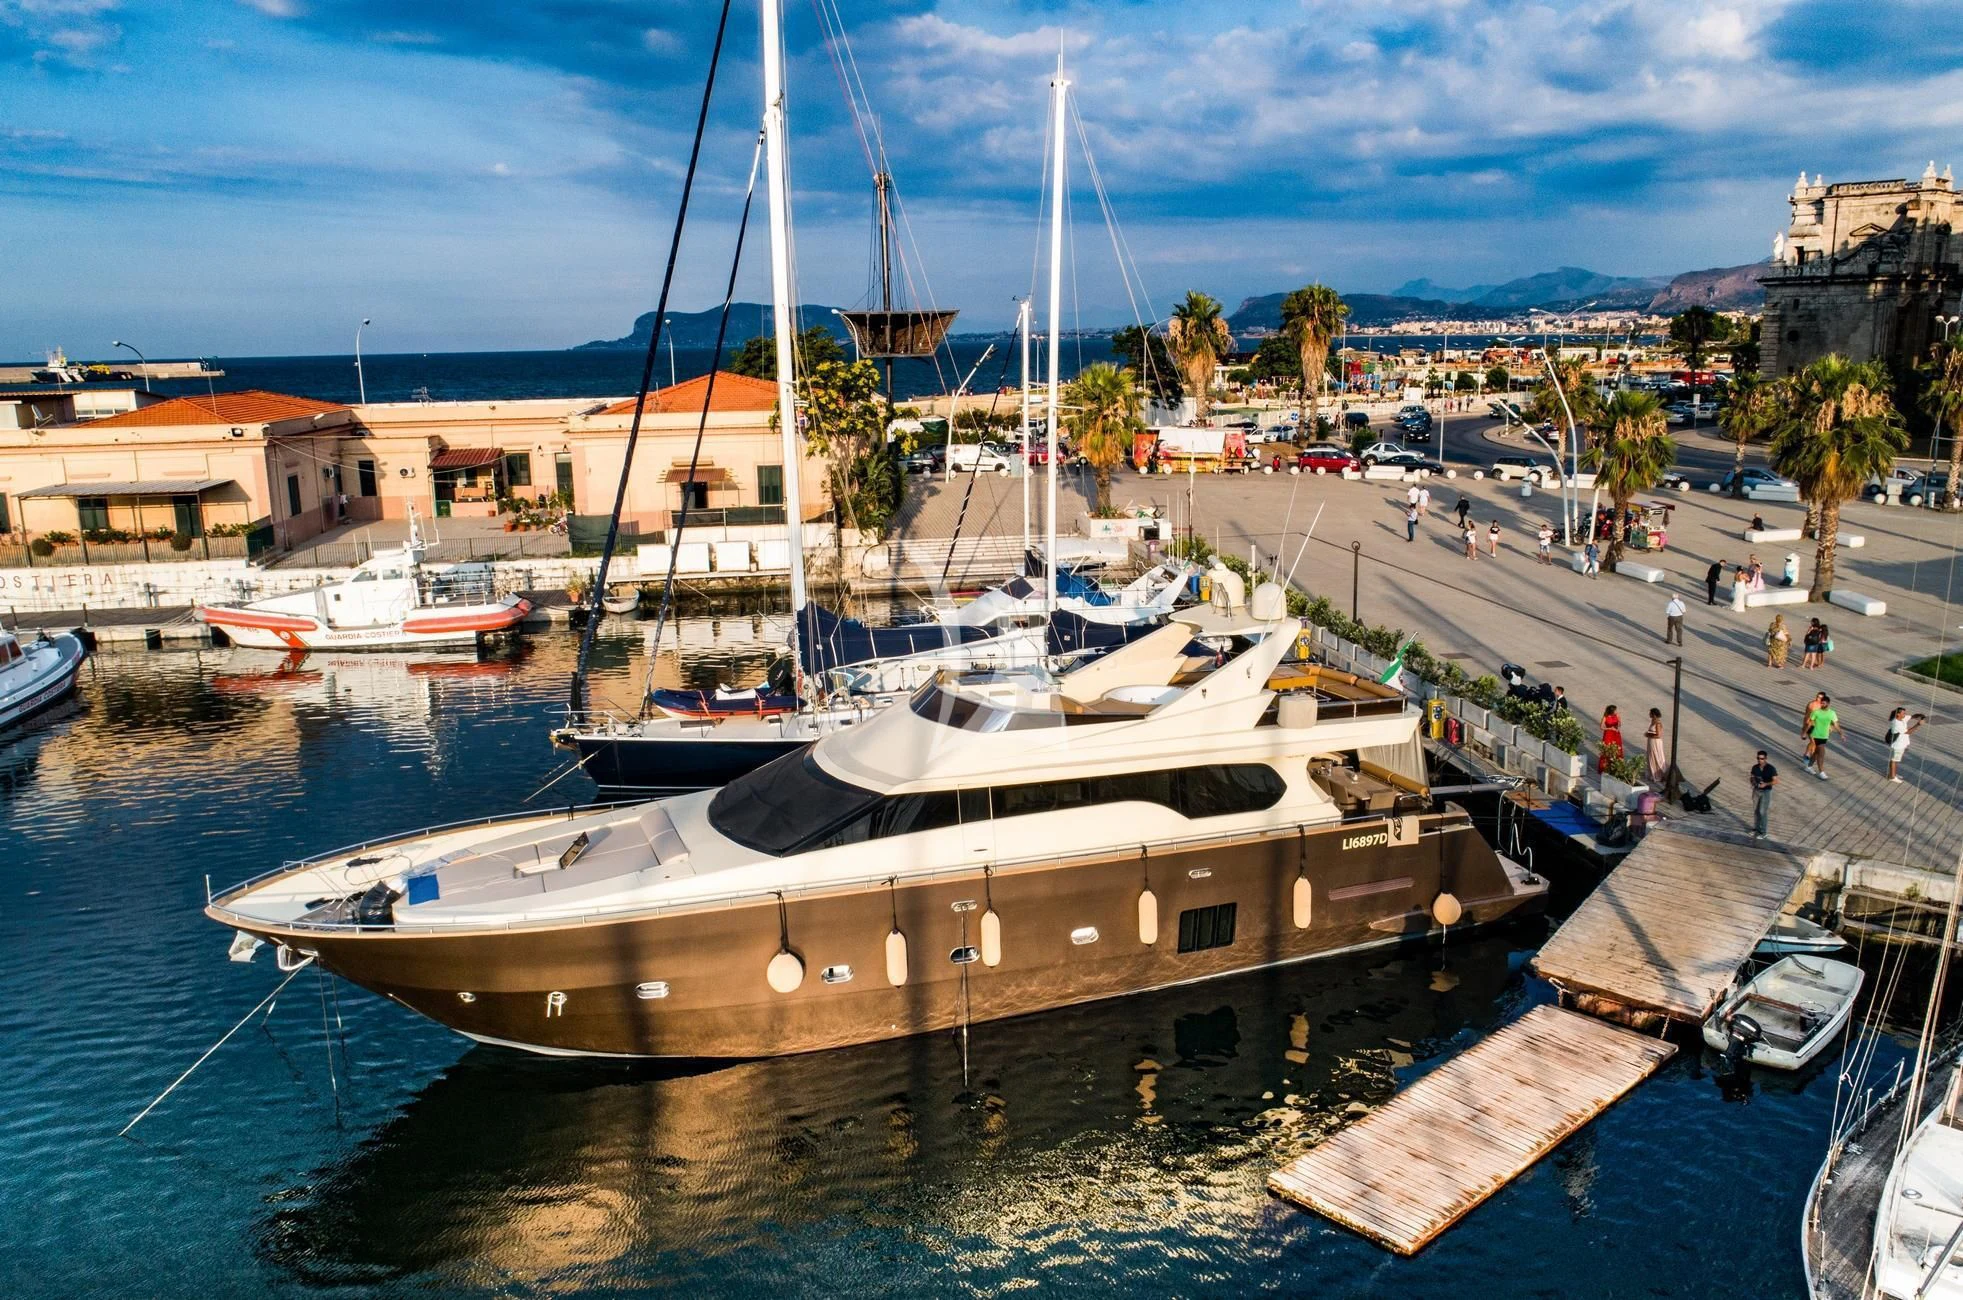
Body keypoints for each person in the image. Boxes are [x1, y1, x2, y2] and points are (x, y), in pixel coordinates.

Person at [1884, 708, 1925, 783]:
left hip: (1902, 744)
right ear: (1898, 714)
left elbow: (1912, 716)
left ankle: (1893, 774)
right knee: (1894, 760)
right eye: (1903, 713)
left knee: (1896, 760)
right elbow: (1908, 732)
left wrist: (1919, 715)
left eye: (1905, 713)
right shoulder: (1896, 723)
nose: (1905, 714)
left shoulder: (1902, 718)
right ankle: (1892, 777)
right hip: (1898, 744)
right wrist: (1917, 725)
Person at [1806, 694, 1841, 779]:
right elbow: (1810, 722)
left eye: (1824, 703)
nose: (1822, 705)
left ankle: (1809, 766)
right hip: (1815, 734)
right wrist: (1805, 732)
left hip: (1824, 736)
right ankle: (1821, 772)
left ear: (1828, 704)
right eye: (1821, 703)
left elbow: (1836, 724)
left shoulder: (1832, 713)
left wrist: (1841, 733)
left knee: (1816, 753)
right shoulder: (1816, 712)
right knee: (1821, 753)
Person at [1749, 750, 1777, 839]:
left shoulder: (1771, 768)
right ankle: (1756, 829)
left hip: (1766, 792)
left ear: (1765, 759)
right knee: (1756, 811)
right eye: (1758, 758)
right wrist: (1753, 782)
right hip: (1756, 791)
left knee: (1762, 812)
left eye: (1761, 758)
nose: (1759, 760)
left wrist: (1765, 784)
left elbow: (1776, 781)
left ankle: (1764, 832)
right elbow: (1752, 777)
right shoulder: (1755, 767)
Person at [1644, 707, 1667, 787]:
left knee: (1657, 757)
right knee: (1651, 757)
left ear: (1653, 714)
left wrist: (1648, 735)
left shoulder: (1658, 723)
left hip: (1656, 742)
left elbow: (1658, 735)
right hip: (1651, 742)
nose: (1649, 714)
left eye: (1650, 713)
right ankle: (1652, 773)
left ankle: (1660, 774)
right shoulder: (1652, 721)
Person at [1598, 705, 1624, 774]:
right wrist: (1609, 728)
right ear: (1611, 711)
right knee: (1607, 749)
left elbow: (1619, 724)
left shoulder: (1617, 715)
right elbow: (1601, 727)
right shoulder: (1605, 717)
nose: (1616, 711)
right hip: (1608, 734)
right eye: (1615, 710)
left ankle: (1616, 766)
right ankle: (1605, 767)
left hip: (1616, 734)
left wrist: (1618, 726)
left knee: (1617, 749)